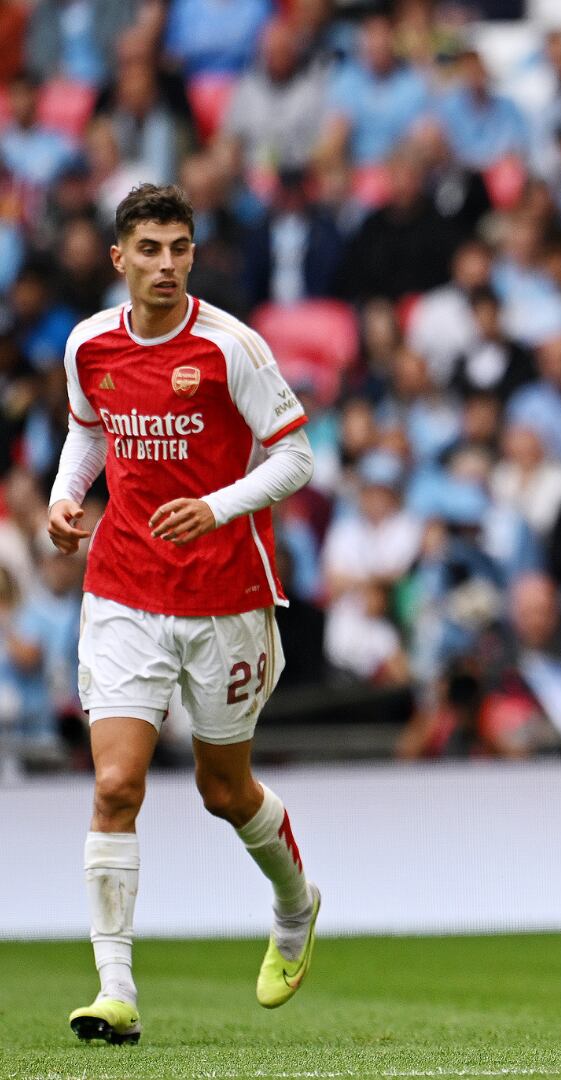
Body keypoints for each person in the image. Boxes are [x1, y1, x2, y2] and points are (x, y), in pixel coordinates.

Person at [48, 183, 319, 1045]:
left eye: (180, 248)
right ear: (119, 257)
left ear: (193, 255)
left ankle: (294, 903)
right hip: (124, 585)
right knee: (116, 783)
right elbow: (90, 428)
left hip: (224, 594)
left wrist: (219, 505)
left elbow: (297, 457)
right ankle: (115, 991)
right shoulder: (89, 344)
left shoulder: (232, 345)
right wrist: (65, 498)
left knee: (221, 788)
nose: (166, 265)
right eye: (150, 250)